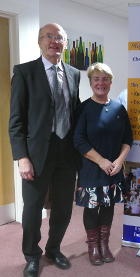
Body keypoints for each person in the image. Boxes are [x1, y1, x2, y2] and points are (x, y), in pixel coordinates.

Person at [8, 23, 80, 277]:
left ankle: (53, 249)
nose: (54, 41)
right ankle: (31, 255)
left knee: (63, 208)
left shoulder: (73, 73)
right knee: (32, 209)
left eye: (60, 37)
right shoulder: (24, 72)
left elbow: (74, 113)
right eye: (49, 37)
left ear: (65, 44)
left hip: (67, 153)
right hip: (36, 155)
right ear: (40, 41)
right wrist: (21, 157)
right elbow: (16, 121)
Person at [73, 62, 133, 266]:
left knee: (108, 207)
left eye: (105, 79)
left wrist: (119, 161)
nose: (101, 83)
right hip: (91, 168)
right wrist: (101, 161)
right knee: (91, 209)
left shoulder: (118, 108)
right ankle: (93, 246)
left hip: (114, 170)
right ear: (90, 82)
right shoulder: (83, 108)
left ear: (110, 82)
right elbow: (78, 140)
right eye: (96, 79)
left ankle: (104, 244)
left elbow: (128, 139)